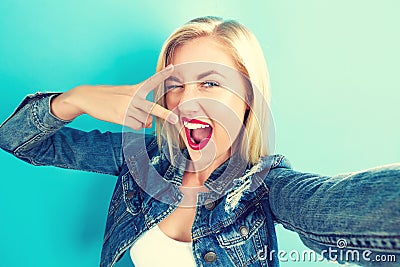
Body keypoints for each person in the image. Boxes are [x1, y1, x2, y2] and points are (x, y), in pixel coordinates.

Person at [0, 16, 399, 267]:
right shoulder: (143, 161)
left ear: (248, 99)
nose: (187, 100)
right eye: (175, 85)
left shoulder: (268, 187)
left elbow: (340, 208)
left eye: (210, 83)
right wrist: (76, 99)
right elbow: (17, 139)